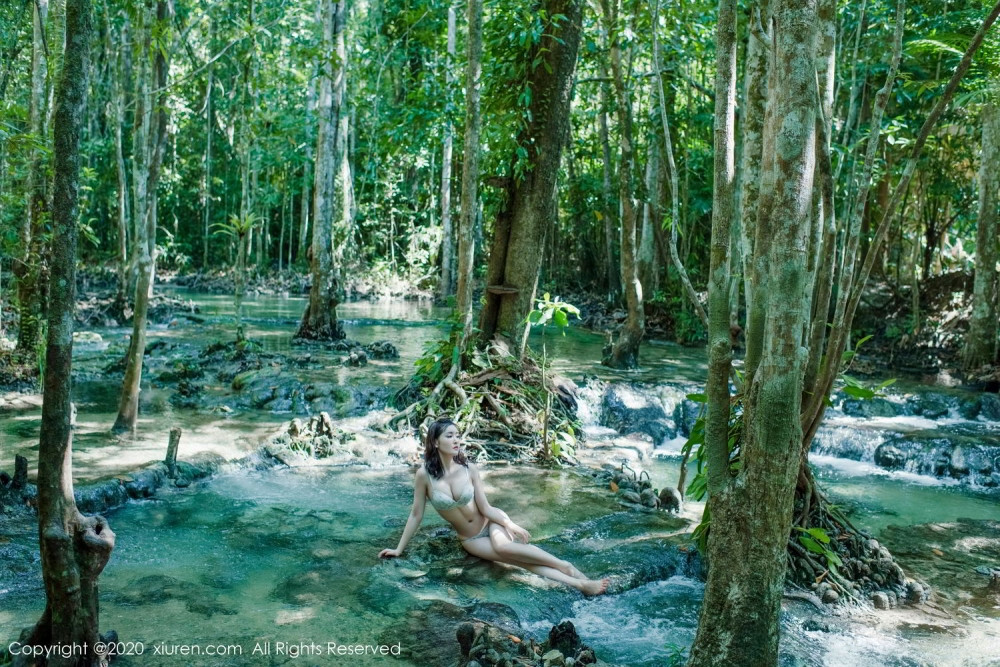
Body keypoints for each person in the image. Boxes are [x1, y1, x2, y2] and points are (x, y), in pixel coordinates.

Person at [379, 417, 609, 596]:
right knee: (519, 561)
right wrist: (399, 549)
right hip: (471, 539)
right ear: (436, 441)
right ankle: (579, 583)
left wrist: (509, 524)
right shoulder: (424, 476)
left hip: (491, 522)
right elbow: (416, 515)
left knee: (504, 548)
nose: (457, 440)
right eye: (450, 436)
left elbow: (486, 507)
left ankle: (565, 565)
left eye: (458, 435)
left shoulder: (469, 468)